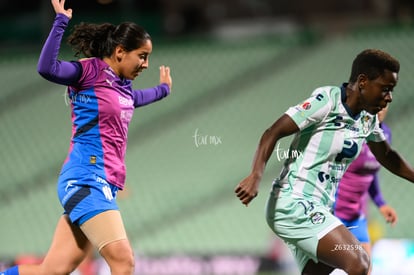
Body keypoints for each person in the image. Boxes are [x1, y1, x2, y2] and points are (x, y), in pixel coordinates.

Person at [1, 0, 172, 274]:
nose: (146, 64)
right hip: (86, 178)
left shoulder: (123, 87)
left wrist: (163, 90)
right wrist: (59, 23)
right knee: (123, 261)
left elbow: (134, 99)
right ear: (119, 51)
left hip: (102, 183)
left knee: (51, 271)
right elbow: (48, 69)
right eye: (142, 55)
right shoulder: (88, 72)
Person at [234, 48, 414, 275]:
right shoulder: (327, 101)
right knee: (360, 262)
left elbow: (386, 156)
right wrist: (256, 175)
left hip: (320, 209)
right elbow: (273, 131)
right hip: (293, 203)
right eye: (385, 89)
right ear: (362, 82)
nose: (389, 97)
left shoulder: (367, 118)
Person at [333, 106, 397, 274]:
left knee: (365, 269)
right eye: (379, 102)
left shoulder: (386, 135)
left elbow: (372, 170)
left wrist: (381, 203)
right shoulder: (352, 132)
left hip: (356, 216)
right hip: (333, 215)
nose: (382, 108)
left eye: (386, 104)